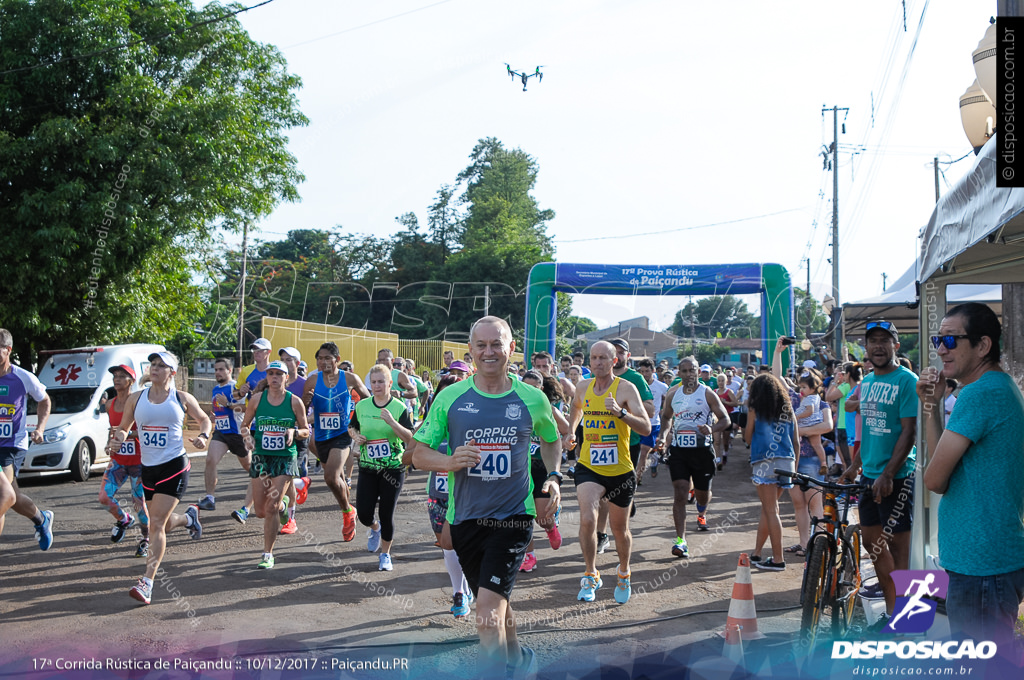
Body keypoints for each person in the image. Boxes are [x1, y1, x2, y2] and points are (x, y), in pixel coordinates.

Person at [413, 316, 561, 679]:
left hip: (513, 518)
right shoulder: (450, 398)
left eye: (497, 344)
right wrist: (448, 461)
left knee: (485, 618)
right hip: (466, 519)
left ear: (512, 349)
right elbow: (416, 454)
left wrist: (554, 475)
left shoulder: (532, 398)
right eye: (481, 345)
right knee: (492, 604)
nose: (489, 352)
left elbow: (552, 439)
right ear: (471, 350)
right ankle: (520, 661)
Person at [919, 303, 1024, 646]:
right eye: (939, 339)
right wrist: (931, 406)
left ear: (982, 346)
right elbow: (941, 471)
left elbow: (935, 480)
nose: (940, 349)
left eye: (951, 340)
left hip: (982, 566)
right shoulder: (993, 388)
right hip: (984, 563)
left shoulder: (980, 393)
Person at [109, 351, 210, 605]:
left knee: (154, 524)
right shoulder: (136, 398)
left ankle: (147, 583)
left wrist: (203, 436)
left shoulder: (181, 398)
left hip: (174, 466)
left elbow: (205, 419)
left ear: (172, 373)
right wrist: (119, 438)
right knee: (161, 525)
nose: (155, 368)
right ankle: (188, 518)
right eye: (153, 364)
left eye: (161, 366)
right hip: (149, 468)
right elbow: (123, 427)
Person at [840, 320, 918, 626]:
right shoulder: (869, 382)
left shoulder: (907, 381)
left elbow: (908, 433)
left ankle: (910, 622)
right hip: (868, 477)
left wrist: (887, 474)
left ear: (896, 346)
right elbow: (872, 434)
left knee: (901, 554)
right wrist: (854, 466)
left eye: (885, 340)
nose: (878, 346)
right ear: (866, 349)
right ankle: (891, 613)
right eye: (872, 341)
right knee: (874, 548)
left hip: (897, 478)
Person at [566, 340, 651, 603]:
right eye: (593, 358)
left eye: (603, 358)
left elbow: (646, 428)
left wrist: (621, 413)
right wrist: (571, 430)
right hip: (589, 466)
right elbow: (576, 407)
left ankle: (624, 571)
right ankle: (591, 574)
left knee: (619, 529)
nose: (597, 362)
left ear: (615, 361)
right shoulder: (583, 386)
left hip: (620, 470)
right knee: (587, 520)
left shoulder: (626, 388)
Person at [655, 356, 731, 558]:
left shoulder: (707, 394)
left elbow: (726, 420)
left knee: (702, 495)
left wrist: (712, 428)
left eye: (692, 370)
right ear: (679, 373)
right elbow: (666, 417)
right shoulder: (673, 394)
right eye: (685, 371)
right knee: (680, 493)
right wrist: (662, 437)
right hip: (679, 451)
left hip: (702, 451)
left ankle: (702, 510)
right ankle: (680, 540)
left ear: (699, 372)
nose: (689, 374)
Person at [239, 360, 309, 569]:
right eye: (271, 374)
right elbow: (245, 425)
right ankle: (284, 505)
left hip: (285, 458)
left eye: (279, 374)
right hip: (261, 458)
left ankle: (267, 554)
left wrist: (293, 432)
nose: (275, 377)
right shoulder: (257, 400)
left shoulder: (294, 402)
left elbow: (306, 430)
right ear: (267, 378)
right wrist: (247, 438)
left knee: (271, 508)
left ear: (286, 377)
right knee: (260, 510)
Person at [302, 342, 370, 542]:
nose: (323, 362)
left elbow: (367, 402)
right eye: (319, 358)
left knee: (330, 477)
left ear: (337, 360)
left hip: (343, 434)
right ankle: (349, 510)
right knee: (337, 479)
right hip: (321, 436)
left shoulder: (349, 378)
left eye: (327, 358)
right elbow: (302, 408)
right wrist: (307, 400)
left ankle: (348, 512)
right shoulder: (312, 381)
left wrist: (360, 425)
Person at [349, 365, 415, 571]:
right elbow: (352, 427)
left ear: (389, 384)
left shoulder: (399, 408)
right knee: (364, 514)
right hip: (368, 467)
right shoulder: (362, 406)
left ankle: (385, 554)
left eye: (380, 382)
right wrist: (356, 437)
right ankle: (374, 528)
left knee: (387, 513)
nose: (376, 386)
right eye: (373, 382)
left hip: (393, 468)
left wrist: (393, 423)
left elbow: (410, 439)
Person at [591, 338, 653, 550]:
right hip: (598, 442)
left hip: (629, 442)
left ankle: (626, 500)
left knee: (615, 492)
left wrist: (622, 408)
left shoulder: (634, 379)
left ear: (624, 356)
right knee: (601, 492)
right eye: (597, 357)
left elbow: (650, 409)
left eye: (620, 352)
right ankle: (600, 534)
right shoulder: (595, 377)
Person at [421, 374, 474, 618]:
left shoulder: (475, 419)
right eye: (444, 393)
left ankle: (463, 590)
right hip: (438, 493)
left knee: (462, 544)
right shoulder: (431, 423)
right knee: (447, 545)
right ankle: (460, 590)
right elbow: (410, 453)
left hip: (468, 492)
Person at [0, 329, 55, 550]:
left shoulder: (23, 377)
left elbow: (44, 401)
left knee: (4, 495)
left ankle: (41, 519)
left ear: (8, 350)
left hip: (11, 445)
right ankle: (41, 519)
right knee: (11, 496)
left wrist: (40, 428)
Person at [743, 373, 799, 572]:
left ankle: (778, 559)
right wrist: (795, 468)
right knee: (768, 509)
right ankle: (757, 553)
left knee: (771, 510)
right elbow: (797, 441)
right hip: (787, 461)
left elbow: (748, 438)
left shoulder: (755, 409)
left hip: (765, 462)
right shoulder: (788, 409)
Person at [518, 371, 571, 573]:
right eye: (526, 387)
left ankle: (551, 525)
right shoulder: (513, 406)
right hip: (520, 468)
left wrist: (563, 442)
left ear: (541, 389)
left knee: (542, 519)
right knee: (522, 515)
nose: (530, 391)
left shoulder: (546, 407)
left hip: (540, 467)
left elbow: (566, 429)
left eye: (534, 387)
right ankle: (529, 555)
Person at [99, 363, 150, 557]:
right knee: (104, 497)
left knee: (139, 504)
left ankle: (146, 538)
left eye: (122, 376)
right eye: (115, 376)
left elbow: (145, 429)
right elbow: (113, 428)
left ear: (131, 381)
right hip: (118, 461)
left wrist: (128, 434)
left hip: (138, 462)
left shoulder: (138, 402)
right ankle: (124, 519)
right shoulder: (110, 404)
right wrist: (109, 443)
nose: (117, 379)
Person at [201, 358, 251, 514]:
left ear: (229, 371)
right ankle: (210, 498)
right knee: (210, 460)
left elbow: (246, 408)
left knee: (250, 467)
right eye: (216, 370)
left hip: (237, 434)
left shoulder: (235, 388)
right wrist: (215, 417)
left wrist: (228, 405)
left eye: (221, 369)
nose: (217, 372)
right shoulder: (216, 389)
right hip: (221, 433)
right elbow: (220, 410)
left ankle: (269, 485)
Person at [635, 358, 668, 486]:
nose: (644, 374)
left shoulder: (661, 387)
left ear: (653, 371)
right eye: (642, 371)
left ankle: (637, 478)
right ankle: (653, 459)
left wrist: (664, 410)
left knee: (643, 452)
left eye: (647, 371)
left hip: (652, 424)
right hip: (636, 422)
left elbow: (669, 399)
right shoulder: (635, 386)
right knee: (635, 451)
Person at [793, 372, 829, 477]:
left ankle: (795, 466)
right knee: (817, 445)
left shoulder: (809, 398)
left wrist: (798, 417)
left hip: (808, 424)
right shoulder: (815, 396)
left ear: (813, 388)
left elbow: (809, 411)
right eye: (800, 387)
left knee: (797, 443)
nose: (801, 390)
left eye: (804, 387)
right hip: (813, 423)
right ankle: (823, 463)